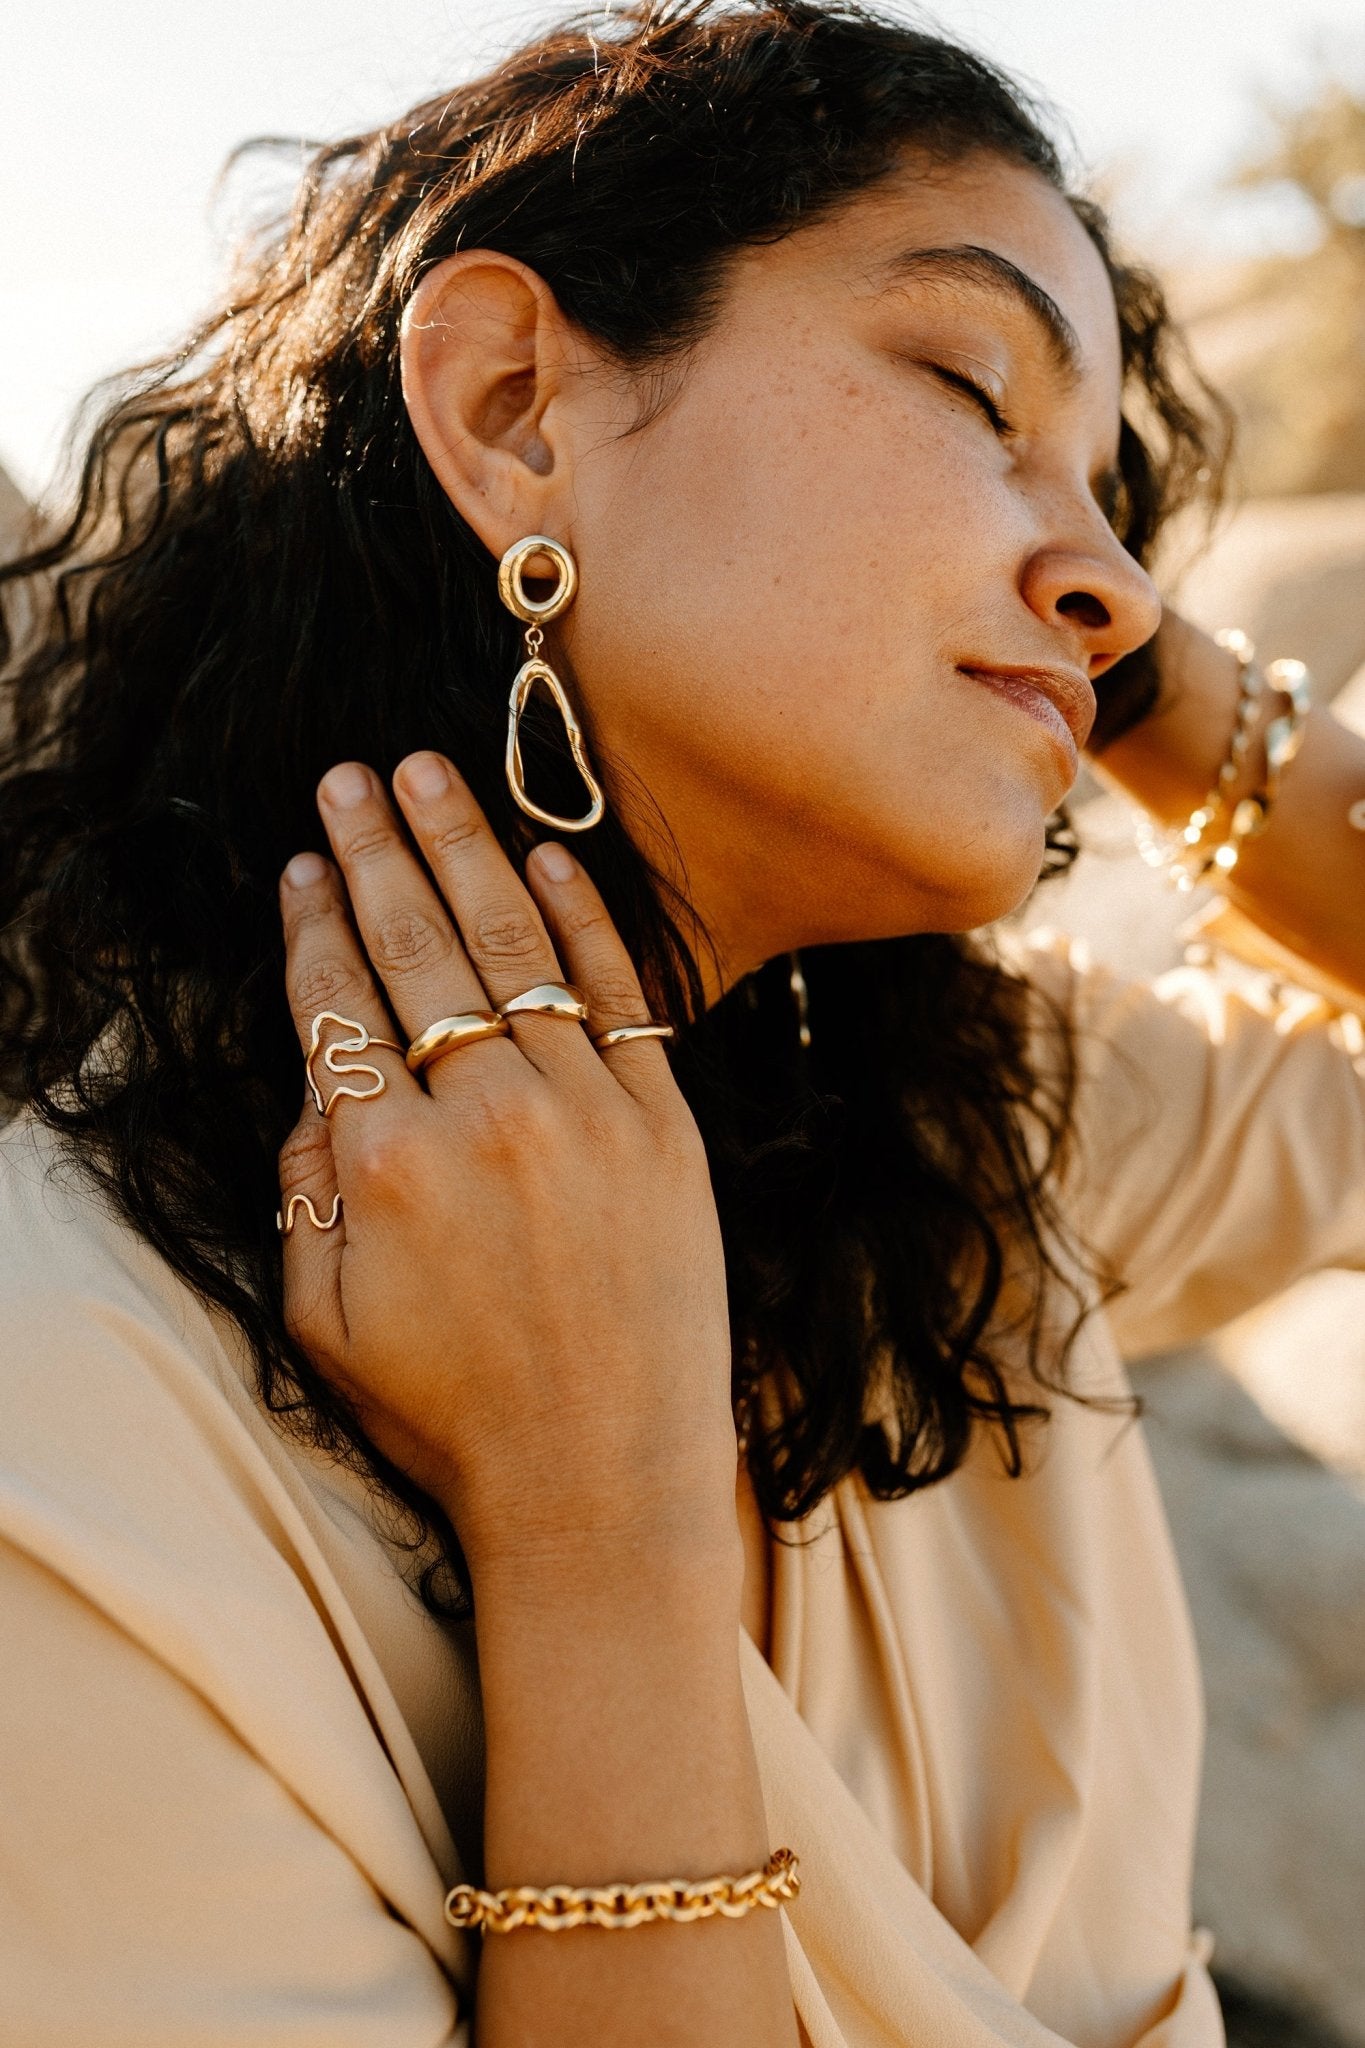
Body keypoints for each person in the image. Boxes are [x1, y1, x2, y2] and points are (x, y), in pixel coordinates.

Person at [1, 3, 1363, 2043]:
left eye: (1112, 498)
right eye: (967, 380)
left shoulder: (968, 1142)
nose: (1102, 577)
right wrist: (586, 1533)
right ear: (513, 403)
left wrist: (1116, 648)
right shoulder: (70, 1401)